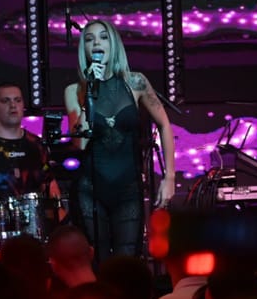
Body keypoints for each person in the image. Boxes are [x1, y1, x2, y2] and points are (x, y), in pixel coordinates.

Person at [64, 19, 176, 261]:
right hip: (90, 190)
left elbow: (165, 124)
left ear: (113, 43)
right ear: (84, 49)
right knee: (98, 260)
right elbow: (79, 144)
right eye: (89, 39)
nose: (97, 43)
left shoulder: (136, 82)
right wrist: (90, 92)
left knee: (128, 261)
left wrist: (169, 177)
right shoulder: (75, 91)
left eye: (103, 37)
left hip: (128, 188)